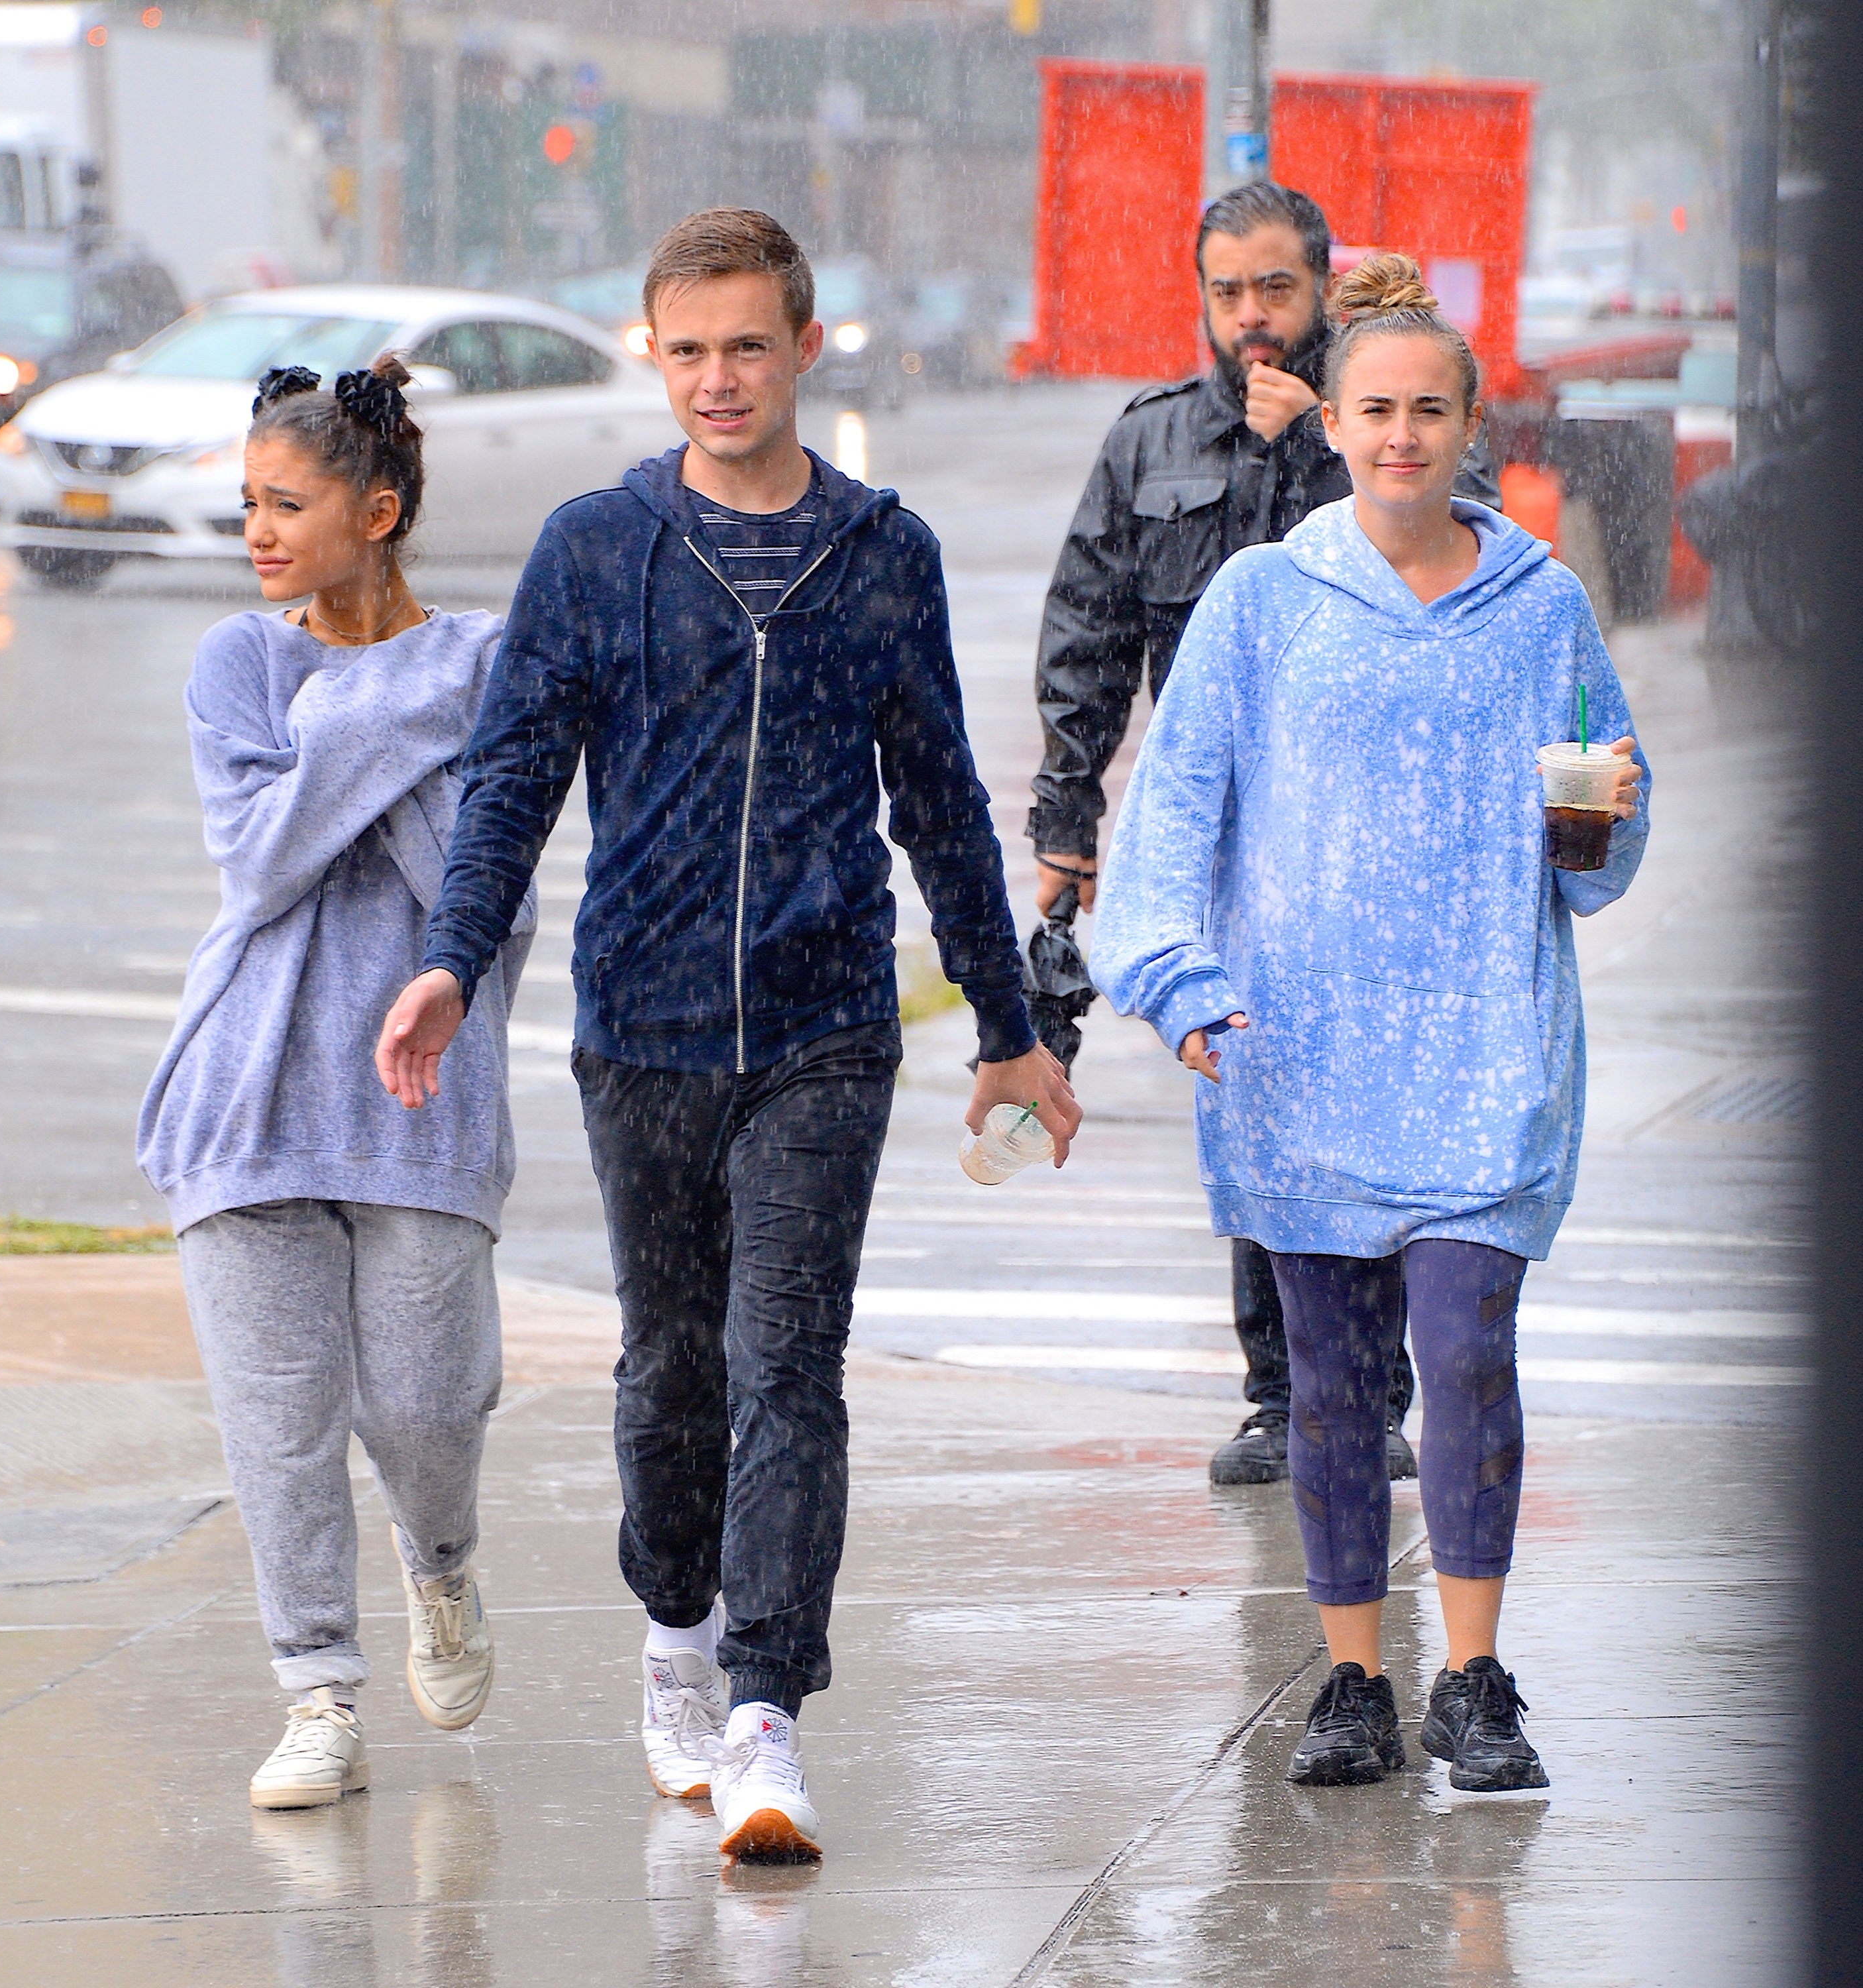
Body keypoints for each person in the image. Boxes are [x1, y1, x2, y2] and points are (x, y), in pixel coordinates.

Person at [374, 209, 1080, 1861]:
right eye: (688, 349)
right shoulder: (594, 549)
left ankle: (767, 1711)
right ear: (650, 351)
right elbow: (513, 785)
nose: (718, 379)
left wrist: (1008, 1021)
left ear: (805, 348)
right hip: (643, 1028)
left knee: (790, 1366)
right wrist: (452, 962)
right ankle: (676, 1643)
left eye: (748, 346)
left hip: (827, 1033)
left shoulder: (880, 553)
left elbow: (947, 808)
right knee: (670, 1370)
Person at [1090, 254, 1648, 1793]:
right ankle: (1353, 1683)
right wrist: (1177, 980)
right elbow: (1173, 812)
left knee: (1466, 1352)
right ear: (1329, 424)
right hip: (1302, 1057)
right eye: (1376, 409)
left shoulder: (1543, 607)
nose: (1403, 435)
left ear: (1472, 426)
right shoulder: (1262, 604)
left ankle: (1473, 1676)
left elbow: (1605, 789)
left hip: (1485, 1047)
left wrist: (1595, 819)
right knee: (1333, 1387)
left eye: (1431, 411)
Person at [1030, 182, 1503, 1490]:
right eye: (1229, 290)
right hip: (1224, 845)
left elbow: (1458, 560)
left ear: (1318, 285)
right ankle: (1281, 1393)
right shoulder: (1150, 442)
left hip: (1377, 834)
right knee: (1257, 1098)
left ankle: (1381, 1391)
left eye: (1277, 290)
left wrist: (1317, 445)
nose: (1252, 316)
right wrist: (1069, 823)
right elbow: (1088, 636)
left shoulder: (1382, 426)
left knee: (1385, 1106)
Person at [138, 357, 523, 1810]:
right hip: (243, 1095)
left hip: (420, 1097)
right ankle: (318, 1690)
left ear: (378, 510)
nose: (258, 532)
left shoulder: (490, 660)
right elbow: (261, 860)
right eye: (247, 503)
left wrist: (341, 742)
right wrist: (398, 728)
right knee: (278, 1423)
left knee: (429, 1406)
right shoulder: (240, 664)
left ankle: (443, 1567)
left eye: (286, 504)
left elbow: (479, 892)